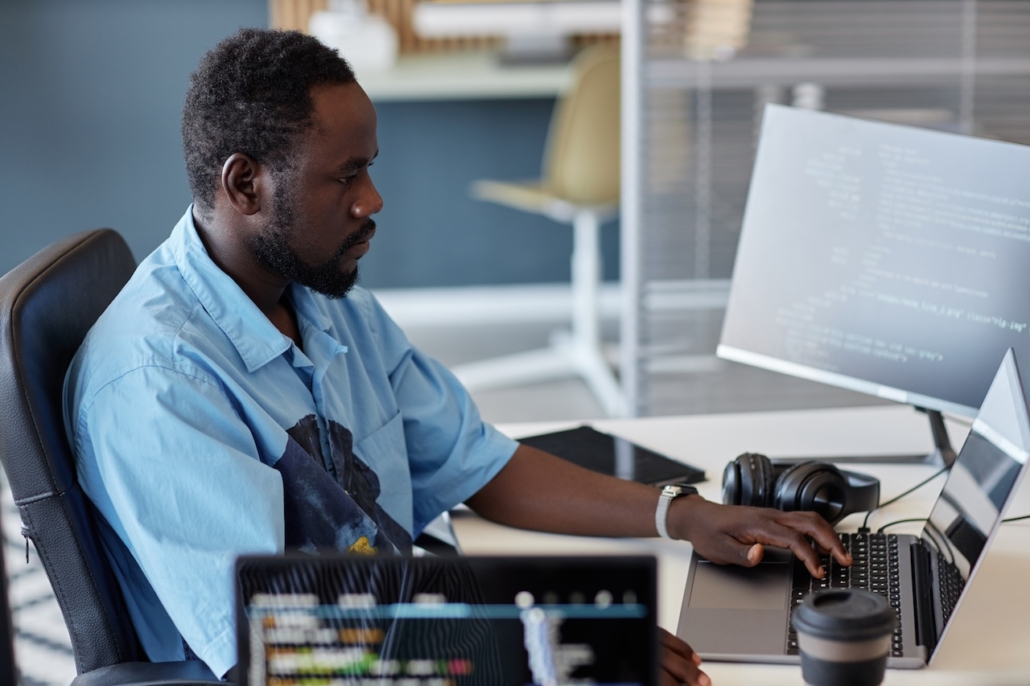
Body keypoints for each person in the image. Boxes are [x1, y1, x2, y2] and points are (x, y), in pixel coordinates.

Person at [64, 28, 850, 685]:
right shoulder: (156, 383)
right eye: (347, 176)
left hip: (419, 622)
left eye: (370, 168)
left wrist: (682, 516)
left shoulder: (324, 297)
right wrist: (557, 646)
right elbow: (288, 647)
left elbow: (478, 463)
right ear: (245, 185)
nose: (372, 201)